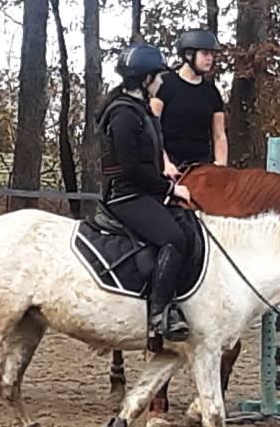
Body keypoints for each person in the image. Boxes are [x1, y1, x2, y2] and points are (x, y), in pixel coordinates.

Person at [97, 42, 197, 347]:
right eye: (159, 76)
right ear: (145, 79)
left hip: (143, 191)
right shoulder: (124, 115)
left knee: (187, 225)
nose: (162, 81)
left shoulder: (141, 111)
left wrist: (164, 174)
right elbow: (129, 169)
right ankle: (159, 312)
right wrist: (170, 188)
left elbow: (146, 161)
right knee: (173, 238)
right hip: (125, 196)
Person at [150, 28, 228, 171]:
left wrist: (221, 167)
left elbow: (219, 135)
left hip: (202, 166)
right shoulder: (165, 85)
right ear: (189, 55)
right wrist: (165, 163)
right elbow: (152, 129)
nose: (210, 58)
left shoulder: (211, 92)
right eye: (205, 53)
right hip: (169, 166)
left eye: (212, 54)